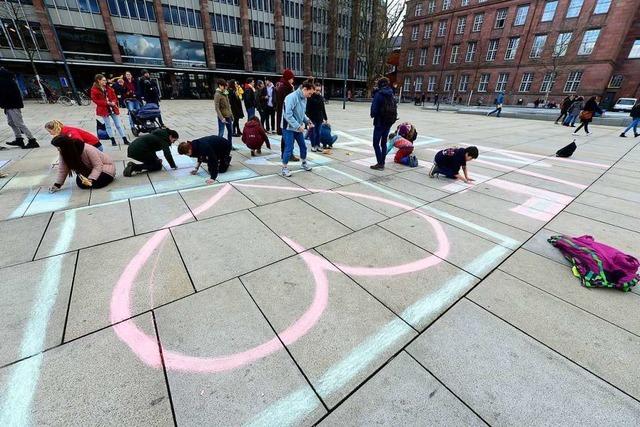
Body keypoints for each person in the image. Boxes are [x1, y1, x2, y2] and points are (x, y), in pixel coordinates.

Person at [49, 135, 115, 191]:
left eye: (58, 147)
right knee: (81, 184)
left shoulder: (87, 149)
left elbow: (98, 165)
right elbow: (62, 169)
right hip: (89, 170)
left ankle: (98, 179)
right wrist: (58, 184)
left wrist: (91, 178)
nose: (57, 149)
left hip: (105, 168)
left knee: (96, 184)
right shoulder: (63, 152)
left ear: (64, 146)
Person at [281, 80, 315, 177]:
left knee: (303, 146)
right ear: (304, 89)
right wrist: (298, 126)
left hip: (297, 127)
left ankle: (303, 163)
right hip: (288, 127)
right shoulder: (291, 97)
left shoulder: (304, 98)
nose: (310, 96)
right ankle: (284, 168)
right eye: (309, 93)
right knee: (289, 148)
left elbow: (301, 113)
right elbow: (288, 115)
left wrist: (307, 121)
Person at [0, 67, 39, 149]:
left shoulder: (6, 81)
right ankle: (19, 139)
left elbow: (5, 95)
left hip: (13, 105)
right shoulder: (5, 80)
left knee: (19, 123)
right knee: (11, 123)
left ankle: (32, 140)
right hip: (9, 105)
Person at [90, 74, 130, 146]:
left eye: (105, 80)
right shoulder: (94, 89)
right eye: (104, 80)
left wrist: (114, 102)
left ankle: (125, 139)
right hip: (104, 109)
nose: (105, 81)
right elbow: (95, 100)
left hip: (112, 108)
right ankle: (113, 140)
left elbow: (114, 96)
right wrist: (106, 103)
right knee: (108, 125)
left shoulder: (108, 88)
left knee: (118, 124)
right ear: (99, 81)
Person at [370, 77, 397, 170]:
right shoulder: (391, 94)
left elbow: (373, 111)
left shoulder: (379, 94)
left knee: (375, 143)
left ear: (380, 85)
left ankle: (380, 163)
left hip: (379, 123)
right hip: (389, 122)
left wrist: (374, 114)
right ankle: (383, 162)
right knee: (384, 143)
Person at [276, 69, 299, 161]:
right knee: (286, 135)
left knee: (289, 135)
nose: (293, 80)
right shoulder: (284, 87)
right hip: (285, 115)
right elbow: (285, 103)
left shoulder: (288, 86)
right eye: (292, 78)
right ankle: (286, 154)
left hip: (287, 114)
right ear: (288, 78)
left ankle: (288, 153)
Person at [306, 81, 328, 153]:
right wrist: (308, 119)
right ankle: (313, 146)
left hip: (319, 118)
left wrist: (325, 118)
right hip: (312, 118)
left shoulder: (321, 98)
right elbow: (307, 109)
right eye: (317, 90)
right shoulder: (310, 97)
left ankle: (318, 145)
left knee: (318, 132)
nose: (318, 92)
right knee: (312, 132)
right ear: (314, 89)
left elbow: (323, 108)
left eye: (319, 90)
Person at [214, 79, 234, 148]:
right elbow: (217, 108)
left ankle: (230, 145)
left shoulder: (225, 93)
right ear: (220, 86)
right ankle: (218, 147)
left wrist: (231, 115)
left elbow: (228, 106)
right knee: (221, 133)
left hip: (228, 116)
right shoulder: (217, 94)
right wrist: (221, 118)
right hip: (222, 117)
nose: (225, 87)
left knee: (230, 131)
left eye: (226, 86)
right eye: (224, 86)